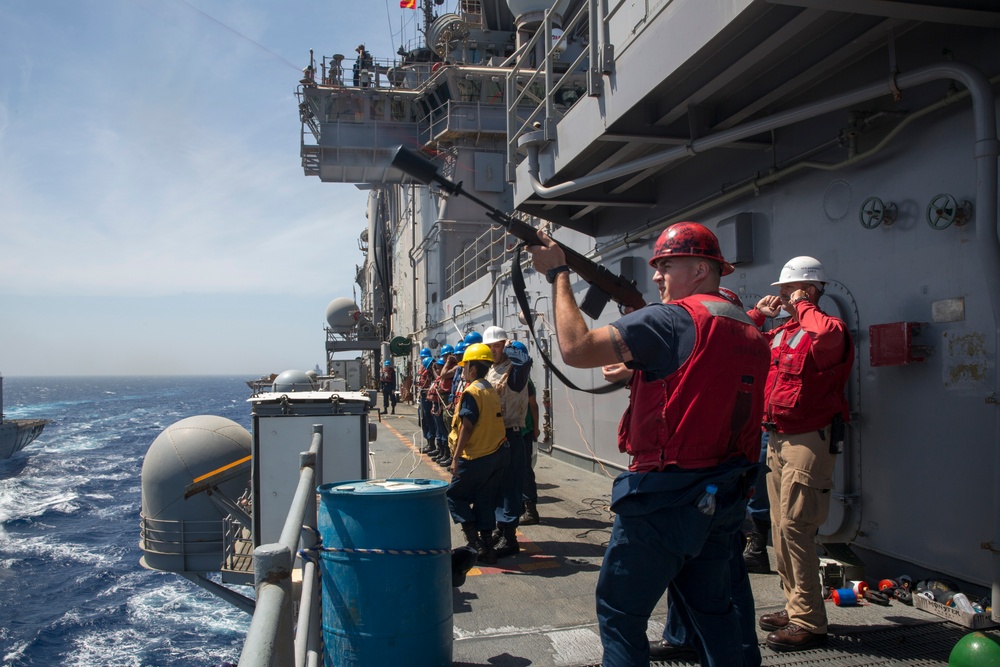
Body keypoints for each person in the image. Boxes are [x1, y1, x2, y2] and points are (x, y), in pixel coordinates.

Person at [527, 221, 770, 667]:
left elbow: (577, 348)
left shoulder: (671, 318)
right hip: (724, 493)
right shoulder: (747, 327)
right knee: (715, 614)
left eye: (667, 265)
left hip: (664, 498)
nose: (656, 275)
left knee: (621, 612)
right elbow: (700, 383)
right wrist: (640, 370)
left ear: (699, 269)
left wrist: (557, 274)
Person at [749, 256, 853, 652]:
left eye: (785, 291)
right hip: (777, 437)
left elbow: (826, 336)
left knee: (796, 527)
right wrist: (758, 316)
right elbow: (741, 344)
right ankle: (796, 607)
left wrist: (804, 303)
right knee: (780, 527)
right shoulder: (783, 333)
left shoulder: (827, 328)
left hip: (809, 438)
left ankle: (809, 620)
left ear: (806, 290)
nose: (781, 298)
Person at [446, 342, 510, 566]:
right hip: (496, 455)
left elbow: (468, 426)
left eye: (465, 367)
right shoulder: (489, 388)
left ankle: (475, 543)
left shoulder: (472, 392)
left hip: (476, 457)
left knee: (454, 495)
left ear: (472, 369)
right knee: (484, 500)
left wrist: (456, 458)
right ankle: (489, 549)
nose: (463, 371)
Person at [483, 326, 532, 558]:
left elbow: (525, 362)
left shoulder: (515, 369)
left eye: (497, 345)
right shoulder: (491, 370)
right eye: (490, 346)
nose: (493, 350)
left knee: (511, 485)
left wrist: (512, 347)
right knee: (496, 486)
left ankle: (510, 537)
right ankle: (501, 529)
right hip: (493, 435)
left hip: (511, 435)